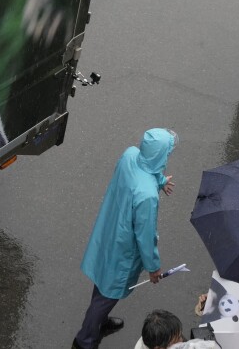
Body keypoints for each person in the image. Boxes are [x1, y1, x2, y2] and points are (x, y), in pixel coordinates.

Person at [75, 128, 177, 349]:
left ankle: (98, 324)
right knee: (107, 296)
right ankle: (85, 341)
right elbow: (145, 235)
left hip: (108, 231)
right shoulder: (147, 196)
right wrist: (153, 267)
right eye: (167, 153)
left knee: (102, 284)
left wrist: (158, 180)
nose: (168, 157)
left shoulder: (130, 154)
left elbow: (140, 172)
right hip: (123, 249)